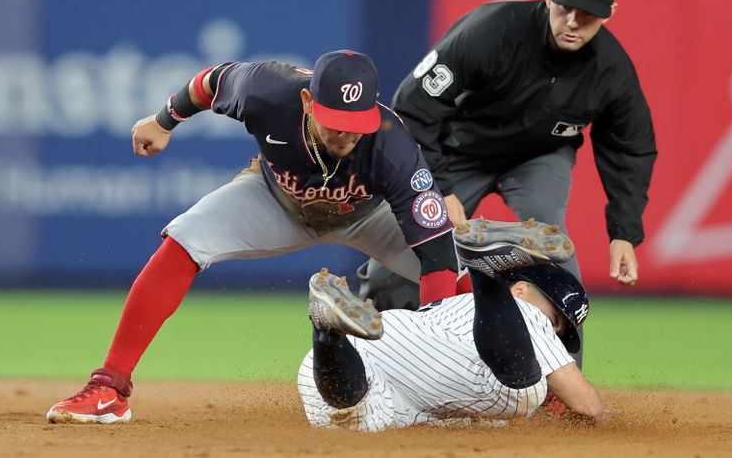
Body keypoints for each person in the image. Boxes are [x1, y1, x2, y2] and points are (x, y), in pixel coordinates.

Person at [45, 50, 460, 424]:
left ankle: (475, 384)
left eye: (357, 124)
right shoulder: (268, 90)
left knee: (461, 271)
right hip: (277, 199)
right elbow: (211, 82)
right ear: (307, 102)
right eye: (336, 124)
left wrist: (437, 355)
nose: (348, 136)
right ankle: (109, 389)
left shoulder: (392, 142)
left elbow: (436, 251)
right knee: (184, 239)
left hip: (368, 214)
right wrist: (163, 120)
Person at [360, 0, 657, 364]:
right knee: (411, 243)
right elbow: (412, 105)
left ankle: (562, 378)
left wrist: (624, 232)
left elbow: (630, 147)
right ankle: (368, 355)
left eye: (587, 13)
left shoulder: (611, 71)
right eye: (566, 6)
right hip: (459, 150)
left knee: (554, 246)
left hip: (539, 157)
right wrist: (439, 189)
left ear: (610, 12)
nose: (573, 21)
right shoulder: (493, 30)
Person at [299, 218, 603, 431]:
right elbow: (587, 406)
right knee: (526, 394)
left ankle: (329, 333)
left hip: (357, 355)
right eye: (554, 320)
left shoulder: (457, 315)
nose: (554, 331)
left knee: (355, 420)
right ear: (519, 290)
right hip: (433, 358)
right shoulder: (524, 310)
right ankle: (485, 272)